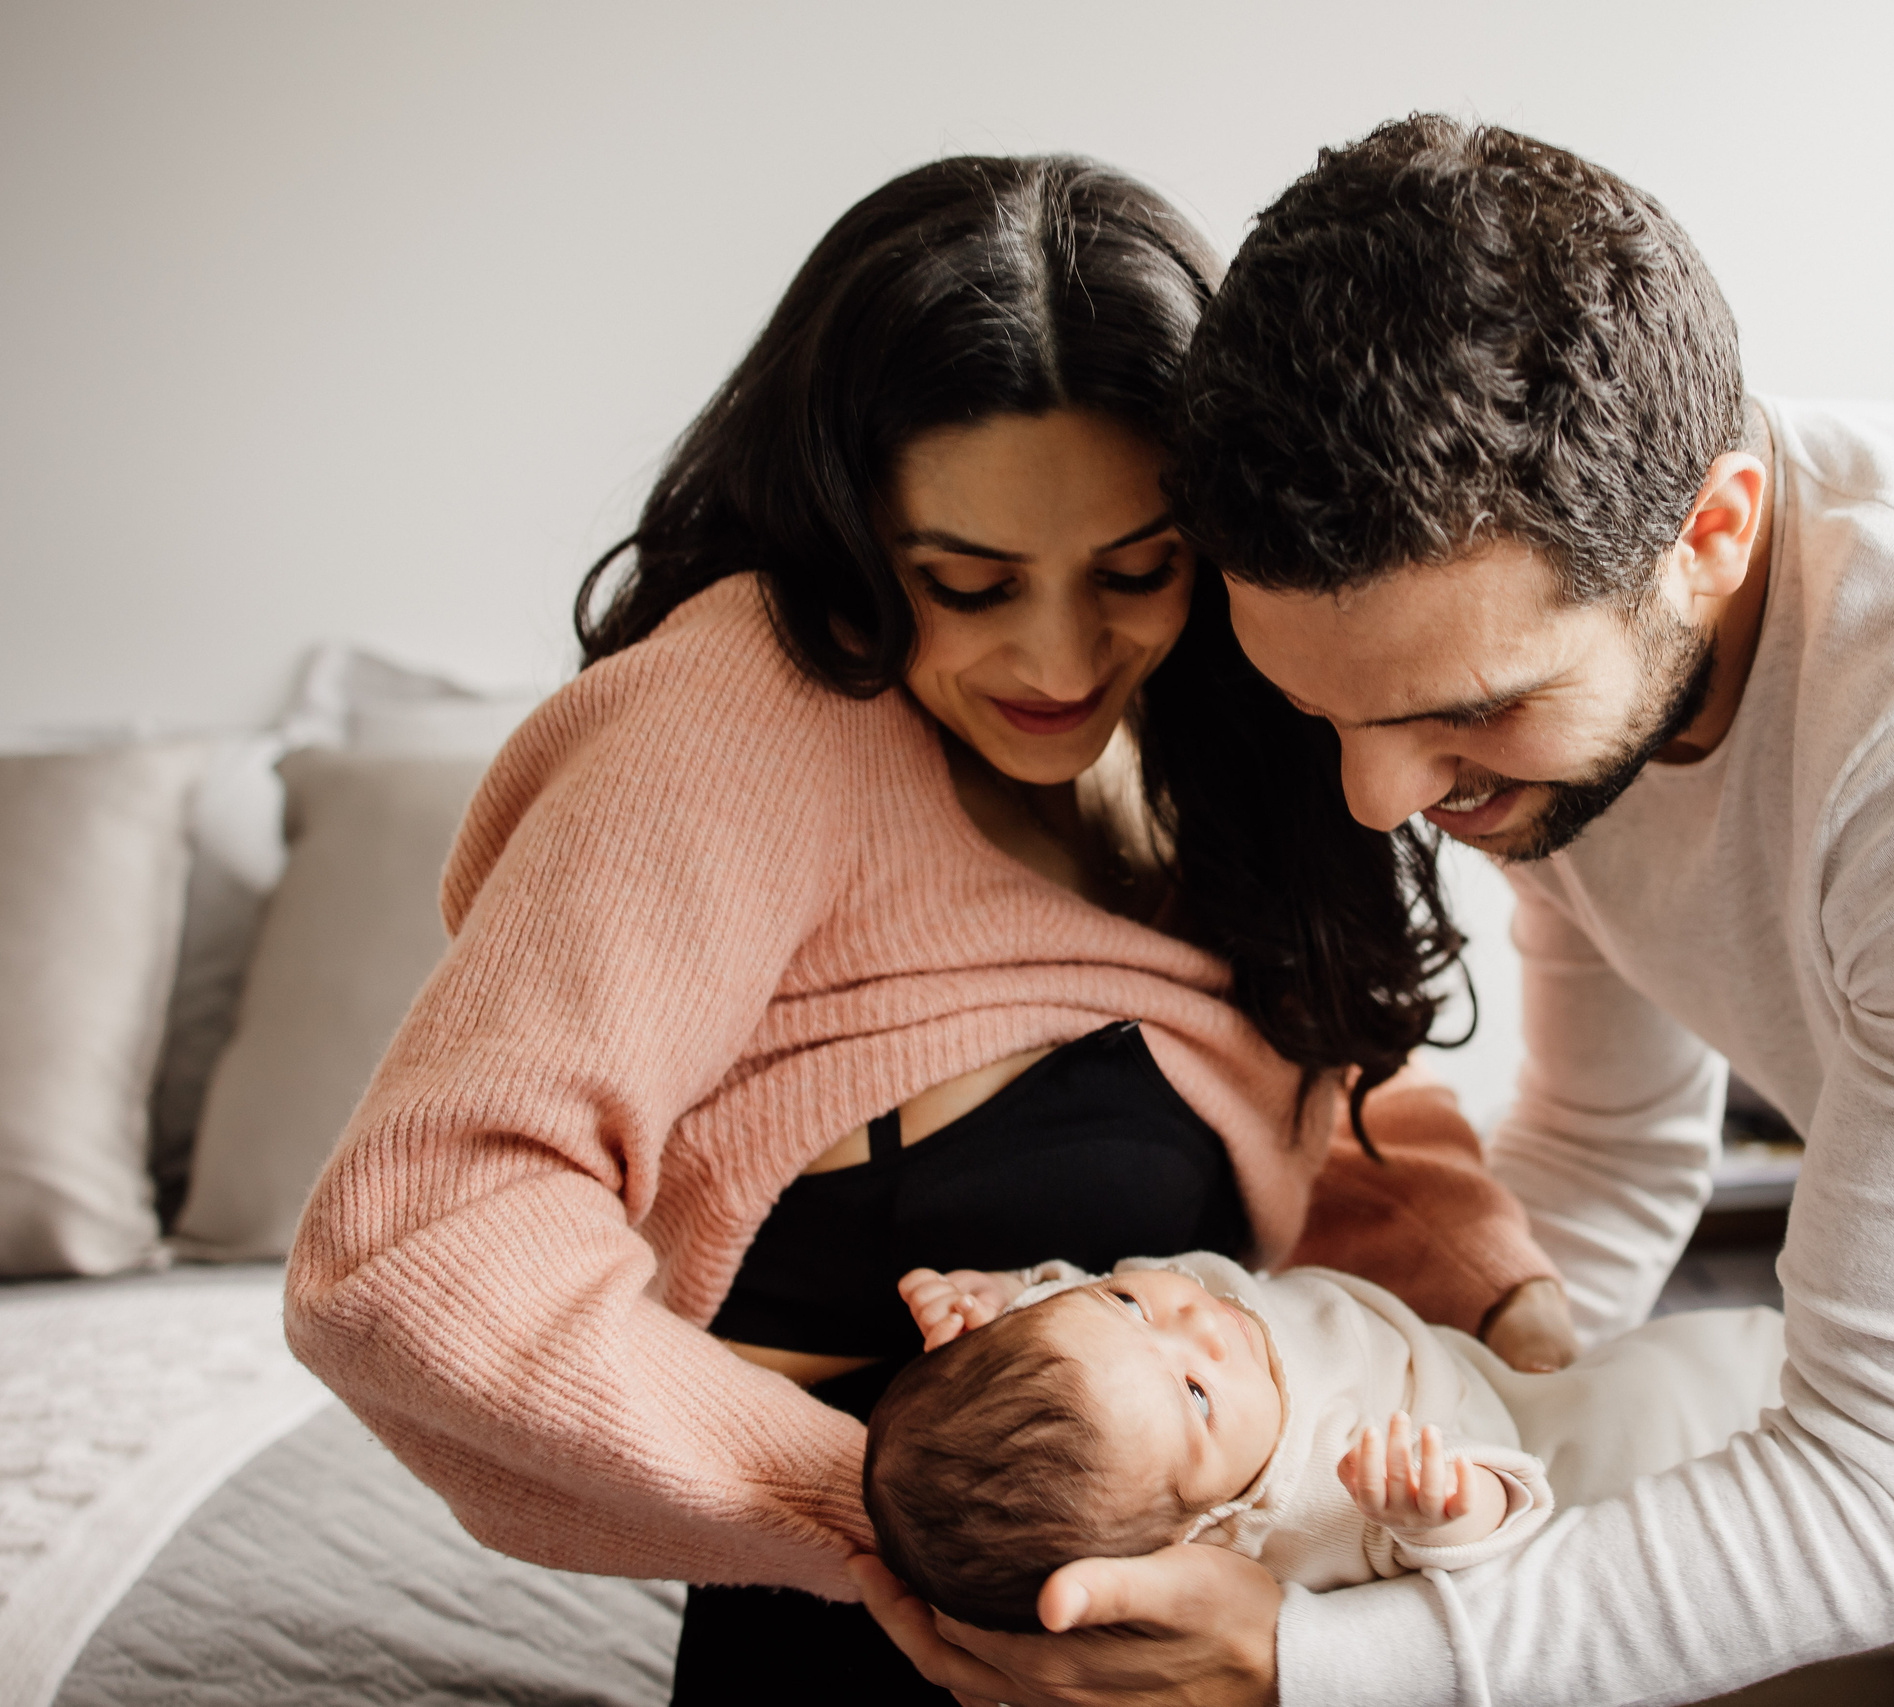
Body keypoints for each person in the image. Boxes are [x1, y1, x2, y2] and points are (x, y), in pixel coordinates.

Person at [857, 118, 1894, 1707]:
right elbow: (1609, 1148)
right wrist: (1424, 1432)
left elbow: (1890, 1481)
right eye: (1329, 711)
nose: (1383, 797)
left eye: (1467, 710)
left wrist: (1328, 1658)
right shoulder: (1553, 688)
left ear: (1714, 533)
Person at [280, 153, 1578, 1706]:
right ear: (848, 531)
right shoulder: (747, 713)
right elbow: (422, 1239)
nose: (1062, 657)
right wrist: (917, 1528)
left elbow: (1310, 1086)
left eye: (1137, 568)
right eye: (965, 582)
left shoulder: (1206, 731)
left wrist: (1517, 1313)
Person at [861, 1253, 1782, 1627]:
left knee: (1720, 1358)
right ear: (1195, 1535)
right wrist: (1441, 1506)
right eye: (1196, 1393)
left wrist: (999, 1296)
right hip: (1531, 1449)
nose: (1197, 1322)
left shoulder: (1095, 1359)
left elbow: (1066, 1296)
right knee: (1674, 1404)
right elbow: (1493, 1554)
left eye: (1130, 1302)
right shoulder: (1315, 1507)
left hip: (1483, 1356)